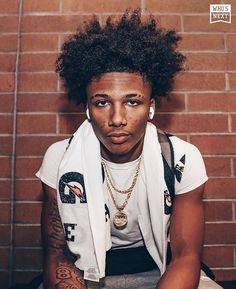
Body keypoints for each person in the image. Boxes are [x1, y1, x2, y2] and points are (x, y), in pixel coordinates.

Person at [36, 10, 222, 289]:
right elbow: (58, 255)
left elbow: (185, 256)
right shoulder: (61, 159)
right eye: (102, 102)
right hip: (85, 272)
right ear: (87, 108)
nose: (117, 118)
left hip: (161, 269)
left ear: (151, 107)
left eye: (132, 102)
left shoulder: (182, 158)